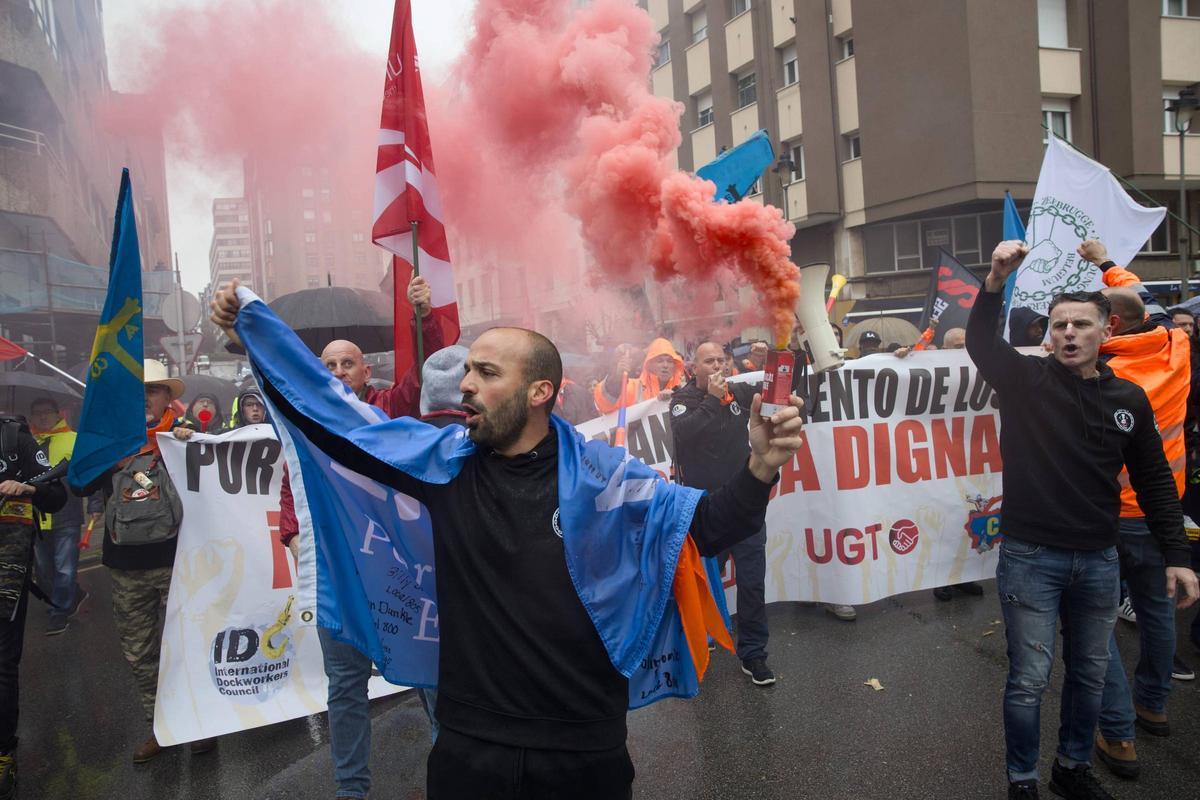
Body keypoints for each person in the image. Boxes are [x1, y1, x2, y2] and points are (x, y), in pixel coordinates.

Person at [210, 282, 806, 800]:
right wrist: (258, 329)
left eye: (487, 373)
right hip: (471, 749)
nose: (466, 385)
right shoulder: (442, 465)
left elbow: (707, 527)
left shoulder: (604, 475)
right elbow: (332, 420)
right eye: (468, 371)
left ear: (540, 391)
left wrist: (760, 467)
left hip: (583, 750)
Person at [968, 241, 1199, 800]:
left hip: (1098, 559)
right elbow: (980, 343)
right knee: (1028, 680)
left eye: (1081, 324)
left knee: (1091, 675)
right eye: (1059, 325)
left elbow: (1153, 482)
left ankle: (1072, 768)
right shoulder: (1026, 382)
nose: (1068, 333)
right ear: (1048, 334)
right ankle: (1022, 780)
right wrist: (995, 280)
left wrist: (1177, 557)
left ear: (1106, 330)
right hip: (1030, 558)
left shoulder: (1130, 399)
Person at [275, 273, 443, 800]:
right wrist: (293, 534)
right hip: (341, 582)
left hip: (400, 577)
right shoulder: (304, 427)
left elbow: (427, 380)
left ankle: (451, 773)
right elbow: (293, 490)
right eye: (328, 365)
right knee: (345, 689)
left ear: (366, 371)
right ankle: (351, 789)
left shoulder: (389, 408)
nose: (339, 371)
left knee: (431, 677)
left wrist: (426, 319)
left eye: (347, 363)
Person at [74, 360, 213, 763]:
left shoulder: (188, 438)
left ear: (169, 397)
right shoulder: (111, 442)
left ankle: (200, 723)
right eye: (137, 392)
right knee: (141, 653)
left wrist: (188, 445)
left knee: (187, 646)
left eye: (153, 390)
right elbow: (78, 484)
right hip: (125, 567)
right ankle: (161, 727)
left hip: (179, 563)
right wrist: (99, 448)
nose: (145, 399)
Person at [670, 341, 774, 686]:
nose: (717, 366)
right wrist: (713, 399)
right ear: (693, 368)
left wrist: (794, 354)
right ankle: (699, 642)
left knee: (751, 583)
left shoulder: (739, 392)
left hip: (743, 507)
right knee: (698, 584)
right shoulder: (681, 401)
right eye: (708, 361)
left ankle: (754, 654)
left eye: (721, 360)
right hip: (704, 514)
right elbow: (685, 433)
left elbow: (779, 389)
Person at [0, 411, 67, 800]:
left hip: (6, 568)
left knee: (2, 663)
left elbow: (57, 495)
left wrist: (28, 489)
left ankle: (4, 750)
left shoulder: (15, 438)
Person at [28, 397, 93, 635]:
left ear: (58, 414)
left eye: (47, 411)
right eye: (37, 413)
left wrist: (95, 503)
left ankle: (59, 612)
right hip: (36, 517)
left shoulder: (74, 439)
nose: (42, 417)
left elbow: (88, 474)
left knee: (64, 568)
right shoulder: (27, 443)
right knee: (44, 570)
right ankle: (71, 594)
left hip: (67, 514)